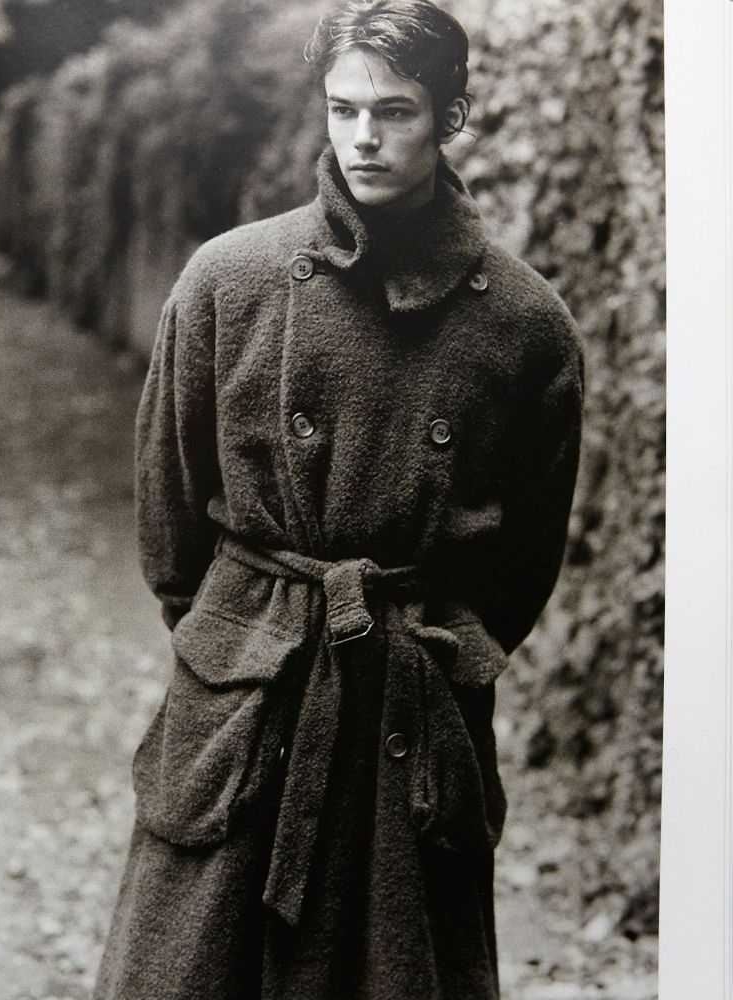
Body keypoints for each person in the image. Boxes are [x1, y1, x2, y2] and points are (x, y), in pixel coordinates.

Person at [93, 1, 584, 998]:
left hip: (409, 697)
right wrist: (238, 638)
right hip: (247, 689)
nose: (363, 136)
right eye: (343, 108)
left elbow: (524, 558)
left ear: (450, 114)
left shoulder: (526, 326)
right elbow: (170, 515)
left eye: (395, 111)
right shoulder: (227, 281)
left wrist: (429, 648)